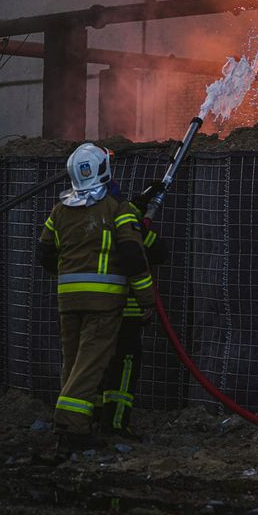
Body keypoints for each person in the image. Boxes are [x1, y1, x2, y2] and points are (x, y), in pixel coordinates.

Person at [37, 143, 155, 454]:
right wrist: (146, 298)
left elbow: (44, 253)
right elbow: (133, 256)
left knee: (73, 363)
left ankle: (75, 422)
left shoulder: (59, 211)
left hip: (68, 302)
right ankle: (71, 424)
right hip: (103, 305)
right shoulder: (117, 209)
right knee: (90, 364)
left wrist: (71, 274)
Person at [96, 186, 168, 440]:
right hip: (124, 310)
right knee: (124, 365)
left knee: (93, 364)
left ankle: (89, 420)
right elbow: (156, 252)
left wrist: (138, 206)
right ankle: (115, 425)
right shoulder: (127, 224)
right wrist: (139, 223)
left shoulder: (79, 217)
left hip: (90, 309)